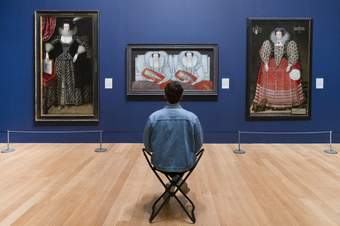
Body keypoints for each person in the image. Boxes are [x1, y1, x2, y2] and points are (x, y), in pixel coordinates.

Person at [143, 81, 203, 193]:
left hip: (160, 163)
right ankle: (178, 181)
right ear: (182, 96)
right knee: (180, 165)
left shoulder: (153, 118)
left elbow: (148, 147)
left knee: (170, 168)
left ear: (164, 96)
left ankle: (174, 183)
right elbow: (198, 145)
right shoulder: (192, 118)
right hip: (185, 163)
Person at [252, 27, 305, 112]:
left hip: (284, 67)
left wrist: (289, 65)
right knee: (271, 83)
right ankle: (270, 102)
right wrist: (266, 64)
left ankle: (285, 102)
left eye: (280, 34)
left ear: (283, 35)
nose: (278, 36)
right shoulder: (270, 44)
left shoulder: (288, 44)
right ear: (275, 35)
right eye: (277, 34)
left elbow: (293, 54)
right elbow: (265, 53)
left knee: (284, 83)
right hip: (272, 67)